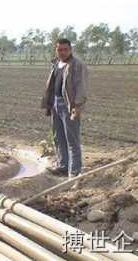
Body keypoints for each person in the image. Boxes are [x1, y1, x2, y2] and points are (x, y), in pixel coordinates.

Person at [41, 39, 88, 178]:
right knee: (58, 137)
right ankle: (62, 166)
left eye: (65, 49)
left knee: (72, 140)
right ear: (56, 50)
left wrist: (77, 107)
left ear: (70, 49)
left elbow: (81, 87)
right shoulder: (56, 63)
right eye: (59, 49)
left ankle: (74, 172)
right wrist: (49, 103)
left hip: (69, 105)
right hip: (55, 102)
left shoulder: (76, 65)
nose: (62, 52)